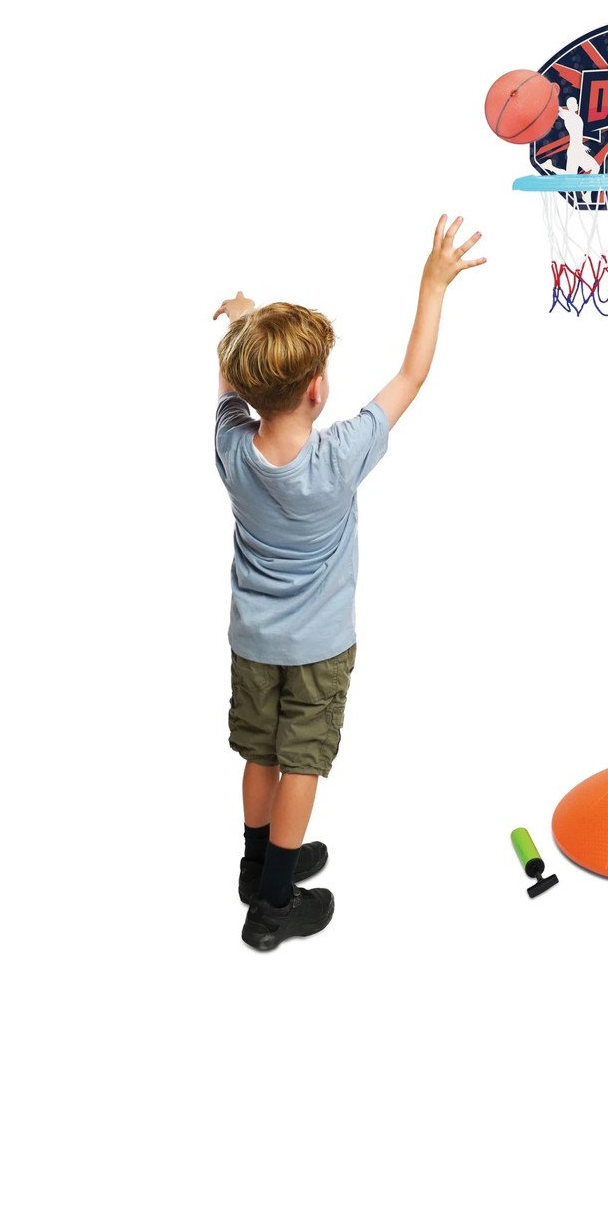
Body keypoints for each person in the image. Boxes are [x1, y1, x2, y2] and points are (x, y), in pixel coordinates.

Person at [212, 215, 485, 950]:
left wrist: (242, 321)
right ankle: (273, 905)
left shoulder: (230, 446)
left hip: (252, 643)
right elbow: (411, 376)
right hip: (320, 649)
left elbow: (230, 385)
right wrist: (433, 284)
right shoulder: (339, 458)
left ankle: (256, 864)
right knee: (301, 762)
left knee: (260, 754)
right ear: (316, 390)